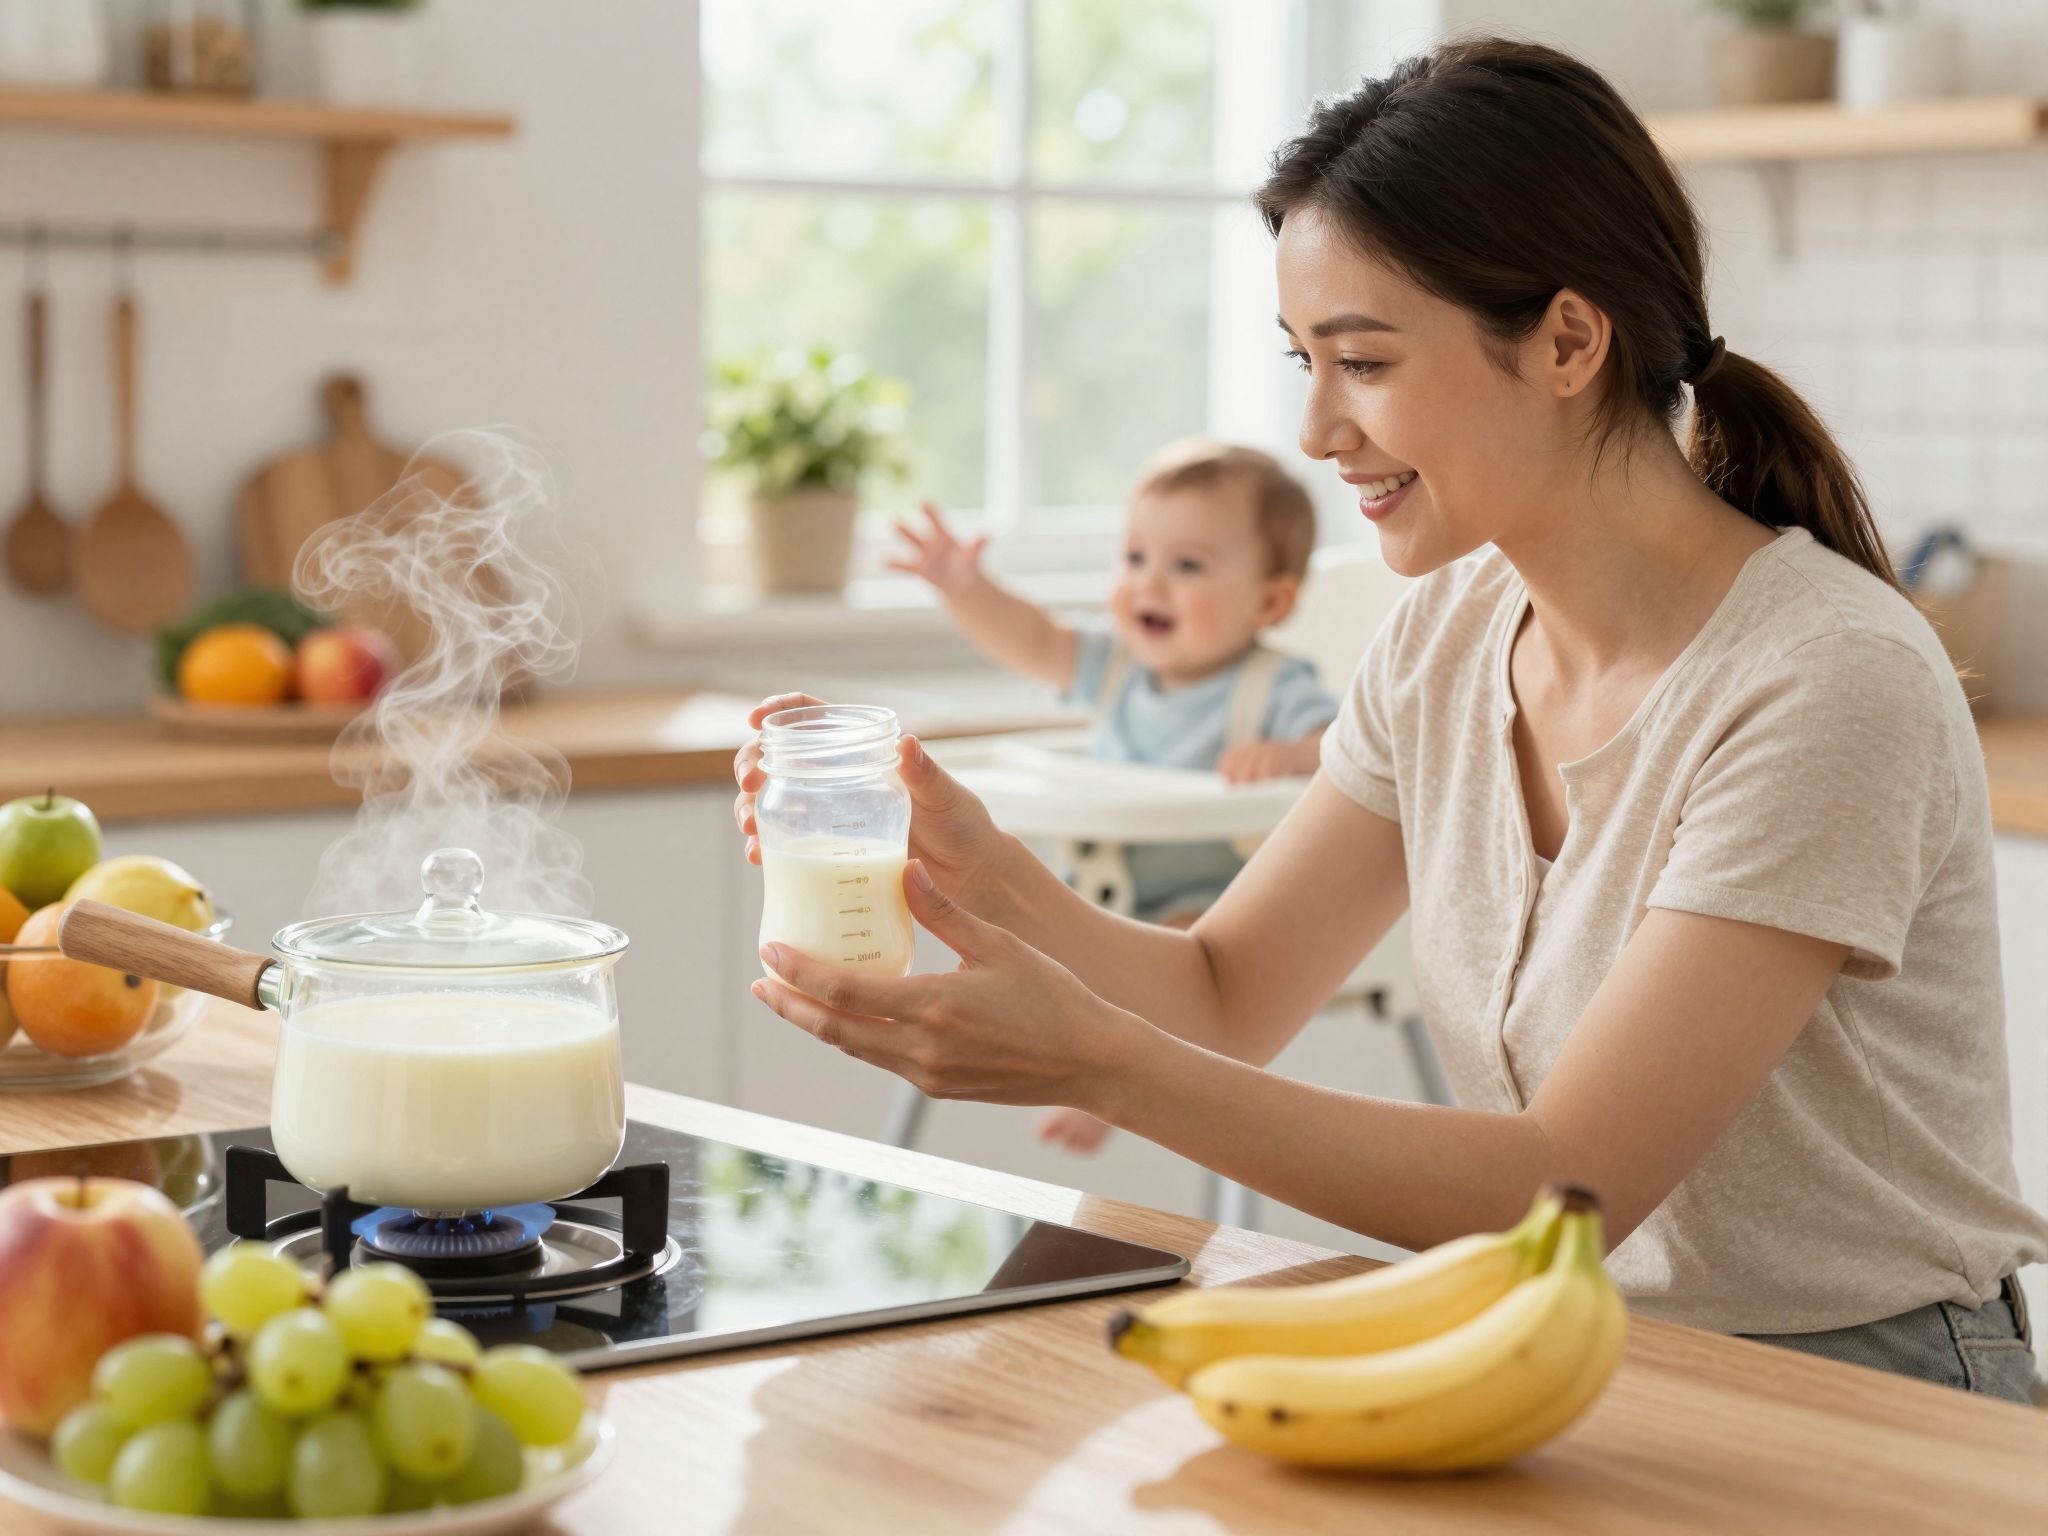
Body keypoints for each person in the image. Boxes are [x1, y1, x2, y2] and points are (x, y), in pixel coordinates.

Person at [733, 37, 2046, 1399]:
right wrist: (974, 868)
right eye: (1304, 358)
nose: (1314, 427)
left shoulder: (1822, 678)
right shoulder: (1451, 634)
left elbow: (1566, 1187)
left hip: (1876, 1391)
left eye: (1361, 362)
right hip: (1567, 1354)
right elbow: (1227, 995)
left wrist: (1093, 1063)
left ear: (1569, 341)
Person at [889, 441, 1339, 1153]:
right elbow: (1033, 638)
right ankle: (1066, 1067)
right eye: (1134, 558)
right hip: (1090, 900)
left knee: (1180, 962)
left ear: (1271, 600)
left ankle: (1111, 1088)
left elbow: (1345, 751)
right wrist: (964, 587)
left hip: (1211, 913)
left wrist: (1291, 754)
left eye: (1187, 565)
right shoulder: (1114, 670)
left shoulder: (1275, 685)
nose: (1149, 583)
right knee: (1013, 953)